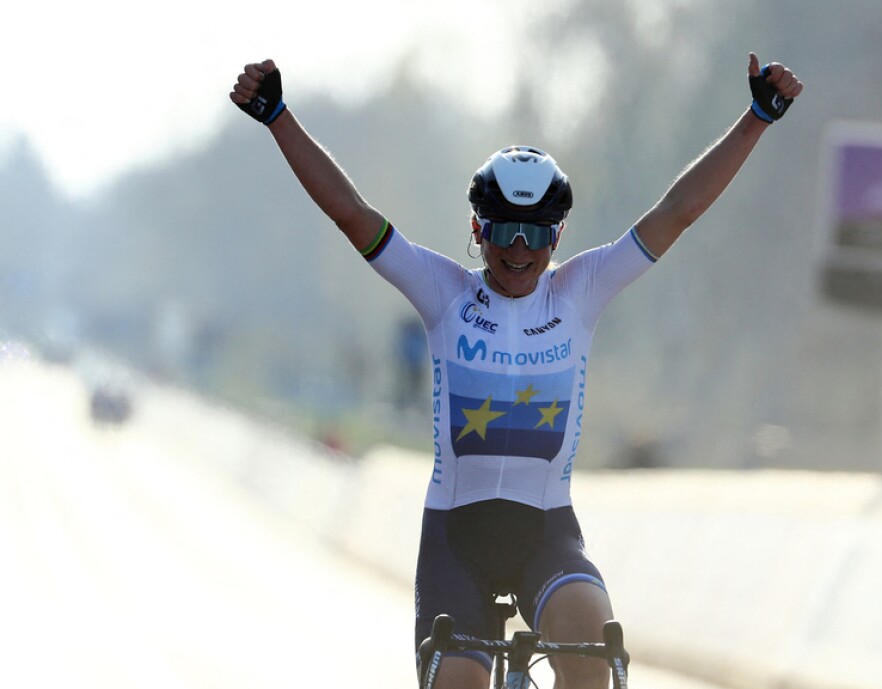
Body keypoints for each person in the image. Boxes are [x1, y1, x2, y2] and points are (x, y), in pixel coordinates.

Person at [230, 52, 802, 689]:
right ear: (478, 227)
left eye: (535, 232)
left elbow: (677, 211)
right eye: (503, 229)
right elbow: (351, 213)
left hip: (545, 532)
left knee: (591, 644)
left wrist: (757, 117)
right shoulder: (442, 291)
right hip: (457, 538)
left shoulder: (580, 292)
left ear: (558, 235)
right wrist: (278, 116)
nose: (519, 249)